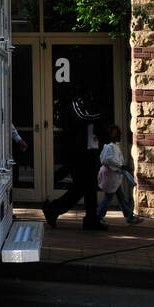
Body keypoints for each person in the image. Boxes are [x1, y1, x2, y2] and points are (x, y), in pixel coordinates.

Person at [42, 85, 106, 230]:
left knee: (88, 188)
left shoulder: (87, 106)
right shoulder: (74, 105)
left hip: (89, 151)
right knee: (82, 187)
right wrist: (99, 115)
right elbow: (81, 118)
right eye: (87, 94)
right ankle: (53, 209)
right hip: (77, 153)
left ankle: (91, 219)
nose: (89, 97)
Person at [97, 124, 142, 225]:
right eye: (117, 134)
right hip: (111, 177)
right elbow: (107, 160)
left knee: (121, 197)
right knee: (109, 197)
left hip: (114, 177)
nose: (120, 136)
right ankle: (98, 216)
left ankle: (129, 217)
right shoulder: (109, 147)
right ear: (111, 135)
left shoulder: (113, 146)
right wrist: (121, 166)